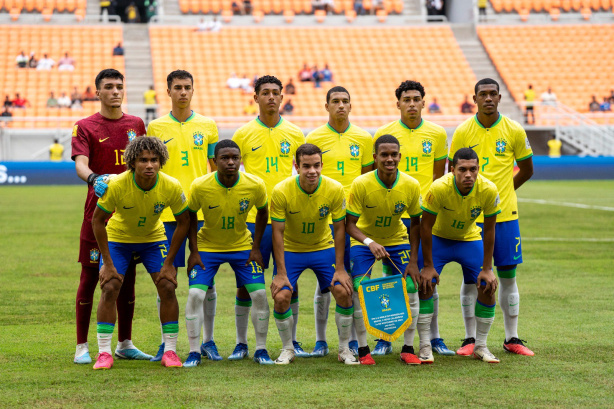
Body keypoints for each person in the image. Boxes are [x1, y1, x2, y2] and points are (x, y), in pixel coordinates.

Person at [449, 78, 534, 356]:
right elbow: (453, 172)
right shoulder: (463, 131)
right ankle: (469, 339)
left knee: (508, 277)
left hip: (506, 215)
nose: (488, 98)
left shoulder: (514, 130)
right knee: (472, 276)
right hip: (471, 218)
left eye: (492, 94)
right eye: (482, 94)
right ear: (474, 99)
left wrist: (504, 193)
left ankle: (513, 338)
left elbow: (527, 168)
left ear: (500, 98)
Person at [71, 68, 148, 364]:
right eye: (109, 87)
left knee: (126, 279)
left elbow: (146, 161)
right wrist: (94, 179)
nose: (116, 91)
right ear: (98, 92)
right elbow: (80, 164)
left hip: (130, 214)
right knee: (90, 276)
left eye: (119, 86)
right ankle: (81, 345)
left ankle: (125, 343)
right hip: (99, 213)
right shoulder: (85, 126)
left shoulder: (136, 124)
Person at [91, 137, 189, 369]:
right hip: (118, 239)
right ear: (132, 162)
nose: (149, 165)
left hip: (153, 239)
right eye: (143, 160)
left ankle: (171, 351)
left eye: (154, 160)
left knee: (167, 285)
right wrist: (107, 262)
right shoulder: (117, 185)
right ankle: (104, 353)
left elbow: (184, 222)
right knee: (110, 286)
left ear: (161, 161)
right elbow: (97, 221)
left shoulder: (171, 185)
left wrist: (169, 263)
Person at [146, 70, 220, 362]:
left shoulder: (208, 125)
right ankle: (169, 343)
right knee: (167, 277)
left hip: (202, 212)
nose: (183, 92)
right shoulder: (155, 126)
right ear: (168, 91)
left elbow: (214, 168)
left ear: (193, 90)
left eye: (187, 87)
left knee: (206, 278)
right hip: (166, 213)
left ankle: (209, 340)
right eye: (177, 87)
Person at [232, 75, 306, 359]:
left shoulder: (296, 133)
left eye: (276, 92)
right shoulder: (242, 134)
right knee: (247, 281)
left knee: (291, 279)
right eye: (266, 93)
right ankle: (241, 342)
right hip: (253, 219)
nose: (272, 97)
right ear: (256, 98)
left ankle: (293, 339)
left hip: (287, 219)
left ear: (282, 97)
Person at [374, 80, 450, 356]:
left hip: (426, 216)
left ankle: (434, 337)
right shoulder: (385, 133)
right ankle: (386, 337)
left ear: (423, 101)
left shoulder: (437, 133)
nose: (412, 103)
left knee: (428, 275)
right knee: (393, 277)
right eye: (406, 99)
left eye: (416, 98)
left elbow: (439, 177)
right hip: (395, 214)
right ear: (398, 104)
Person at [184, 140, 275, 366]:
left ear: (241, 159)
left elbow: (264, 212)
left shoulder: (254, 184)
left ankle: (260, 349)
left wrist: (255, 248)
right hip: (208, 247)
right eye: (225, 158)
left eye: (235, 157)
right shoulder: (200, 185)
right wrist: (194, 251)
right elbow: (190, 216)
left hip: (242, 246)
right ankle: (195, 351)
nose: (231, 162)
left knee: (260, 296)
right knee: (195, 295)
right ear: (214, 161)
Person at [270, 143, 358, 365]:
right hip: (292, 249)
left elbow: (340, 229)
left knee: (344, 292)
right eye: (306, 166)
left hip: (323, 248)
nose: (312, 171)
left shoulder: (335, 188)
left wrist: (340, 268)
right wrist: (280, 272)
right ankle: (288, 348)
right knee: (281, 297)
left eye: (317, 165)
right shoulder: (281, 190)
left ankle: (344, 349)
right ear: (296, 166)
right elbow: (277, 233)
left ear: (322, 165)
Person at [305, 86, 373, 357]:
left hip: (354, 218)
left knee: (356, 280)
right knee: (325, 282)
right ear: (326, 106)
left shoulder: (364, 138)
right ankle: (321, 340)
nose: (341, 105)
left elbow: (368, 178)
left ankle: (356, 339)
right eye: (335, 101)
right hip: (324, 218)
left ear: (351, 105)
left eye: (345, 101)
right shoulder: (315, 137)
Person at [345, 134, 422, 365]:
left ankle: (408, 348)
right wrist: (369, 242)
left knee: (410, 286)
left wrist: (414, 261)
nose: (390, 159)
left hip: (397, 240)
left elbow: (416, 223)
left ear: (400, 156)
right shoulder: (361, 184)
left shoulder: (411, 184)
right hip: (364, 241)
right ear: (375, 157)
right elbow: (349, 224)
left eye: (394, 154)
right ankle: (363, 350)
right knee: (358, 288)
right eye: (384, 155)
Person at [420, 148, 501, 363]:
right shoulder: (438, 188)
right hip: (438, 239)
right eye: (462, 169)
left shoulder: (488, 189)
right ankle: (425, 345)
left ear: (478, 169)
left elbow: (491, 230)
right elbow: (425, 226)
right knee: (424, 284)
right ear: (452, 169)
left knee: (488, 286)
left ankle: (481, 346)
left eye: (473, 169)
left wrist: (488, 268)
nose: (468, 174)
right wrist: (428, 265)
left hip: (469, 239)